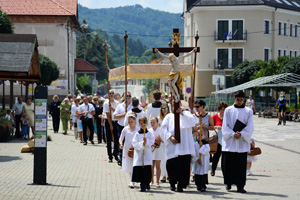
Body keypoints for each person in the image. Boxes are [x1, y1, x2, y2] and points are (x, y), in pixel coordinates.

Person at [222, 90, 253, 193]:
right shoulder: (228, 110)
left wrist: (242, 134)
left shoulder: (248, 111)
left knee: (240, 166)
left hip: (241, 142)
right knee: (228, 165)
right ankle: (228, 183)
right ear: (234, 98)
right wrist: (232, 134)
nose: (240, 102)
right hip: (230, 142)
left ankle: (240, 186)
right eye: (238, 100)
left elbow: (250, 126)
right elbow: (225, 125)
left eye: (241, 100)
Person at [160, 106, 196, 192]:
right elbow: (163, 129)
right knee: (172, 165)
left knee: (183, 166)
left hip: (184, 146)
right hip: (173, 145)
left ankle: (181, 185)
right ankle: (172, 183)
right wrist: (170, 137)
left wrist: (182, 113)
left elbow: (191, 123)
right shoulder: (168, 116)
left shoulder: (187, 114)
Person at [131, 117, 155, 192]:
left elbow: (152, 141)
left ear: (147, 124)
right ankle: (142, 185)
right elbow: (134, 143)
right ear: (139, 124)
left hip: (147, 155)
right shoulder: (137, 134)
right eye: (141, 123)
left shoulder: (149, 134)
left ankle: (147, 183)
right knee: (141, 171)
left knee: (147, 170)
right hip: (139, 156)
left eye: (144, 123)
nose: (143, 125)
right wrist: (142, 143)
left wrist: (146, 142)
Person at [119, 112, 139, 189]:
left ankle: (135, 179)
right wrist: (121, 144)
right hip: (127, 149)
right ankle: (132, 180)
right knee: (129, 164)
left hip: (135, 149)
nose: (130, 123)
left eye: (132, 122)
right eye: (129, 122)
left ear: (135, 121)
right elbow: (121, 138)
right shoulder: (125, 129)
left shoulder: (138, 129)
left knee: (135, 164)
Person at [114, 92, 133, 165]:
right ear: (124, 97)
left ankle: (129, 158)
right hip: (121, 126)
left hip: (130, 127)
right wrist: (123, 115)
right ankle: (121, 158)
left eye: (129, 96)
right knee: (121, 142)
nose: (128, 97)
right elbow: (115, 116)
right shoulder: (120, 106)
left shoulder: (132, 106)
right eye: (127, 96)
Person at [211, 101, 228, 176]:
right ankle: (213, 170)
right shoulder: (215, 116)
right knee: (216, 156)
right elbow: (210, 127)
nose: (222, 111)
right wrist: (216, 127)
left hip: (226, 139)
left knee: (224, 157)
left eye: (224, 109)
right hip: (217, 139)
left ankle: (225, 173)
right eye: (221, 109)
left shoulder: (228, 117)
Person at [103, 89, 120, 162]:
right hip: (108, 121)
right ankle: (110, 156)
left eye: (112, 93)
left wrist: (111, 108)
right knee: (109, 139)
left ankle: (115, 153)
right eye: (110, 93)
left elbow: (117, 112)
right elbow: (107, 114)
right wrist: (110, 125)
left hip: (116, 121)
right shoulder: (106, 103)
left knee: (116, 139)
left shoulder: (117, 103)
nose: (111, 94)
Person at [149, 117, 163, 188]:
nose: (152, 124)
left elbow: (163, 140)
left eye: (154, 122)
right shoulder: (149, 130)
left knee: (158, 165)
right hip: (151, 149)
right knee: (151, 166)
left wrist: (159, 139)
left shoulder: (161, 130)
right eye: (151, 122)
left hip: (158, 149)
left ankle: (157, 181)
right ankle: (151, 180)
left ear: (157, 123)